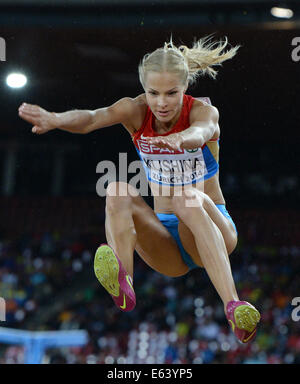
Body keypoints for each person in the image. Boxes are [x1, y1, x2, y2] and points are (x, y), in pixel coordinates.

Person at [18, 35, 260, 344]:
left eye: (171, 93)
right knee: (117, 188)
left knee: (186, 197)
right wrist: (55, 119)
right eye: (154, 92)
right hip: (166, 244)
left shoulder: (202, 112)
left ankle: (233, 305)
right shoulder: (135, 111)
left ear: (185, 88)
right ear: (144, 89)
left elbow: (203, 132)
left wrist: (181, 139)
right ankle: (124, 282)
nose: (161, 103)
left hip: (213, 227)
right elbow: (93, 118)